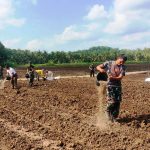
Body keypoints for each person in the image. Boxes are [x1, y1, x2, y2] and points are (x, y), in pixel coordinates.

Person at [96, 55, 127, 122]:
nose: (121, 63)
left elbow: (120, 77)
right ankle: (107, 114)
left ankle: (114, 117)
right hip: (109, 85)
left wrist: (113, 78)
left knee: (117, 102)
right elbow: (98, 67)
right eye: (121, 61)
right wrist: (101, 69)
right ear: (118, 59)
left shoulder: (123, 67)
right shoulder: (108, 63)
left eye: (123, 62)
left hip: (118, 86)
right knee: (111, 101)